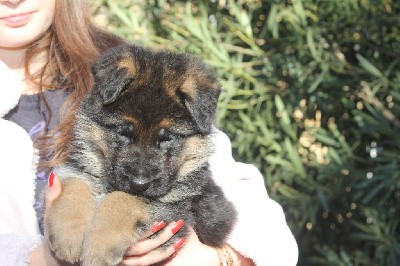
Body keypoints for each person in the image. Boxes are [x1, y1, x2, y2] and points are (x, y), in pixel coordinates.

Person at [0, 0, 298, 265]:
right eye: (124, 134)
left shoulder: (143, 70)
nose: (13, 0)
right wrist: (39, 259)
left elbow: (269, 237)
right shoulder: (121, 77)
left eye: (166, 140)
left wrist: (217, 259)